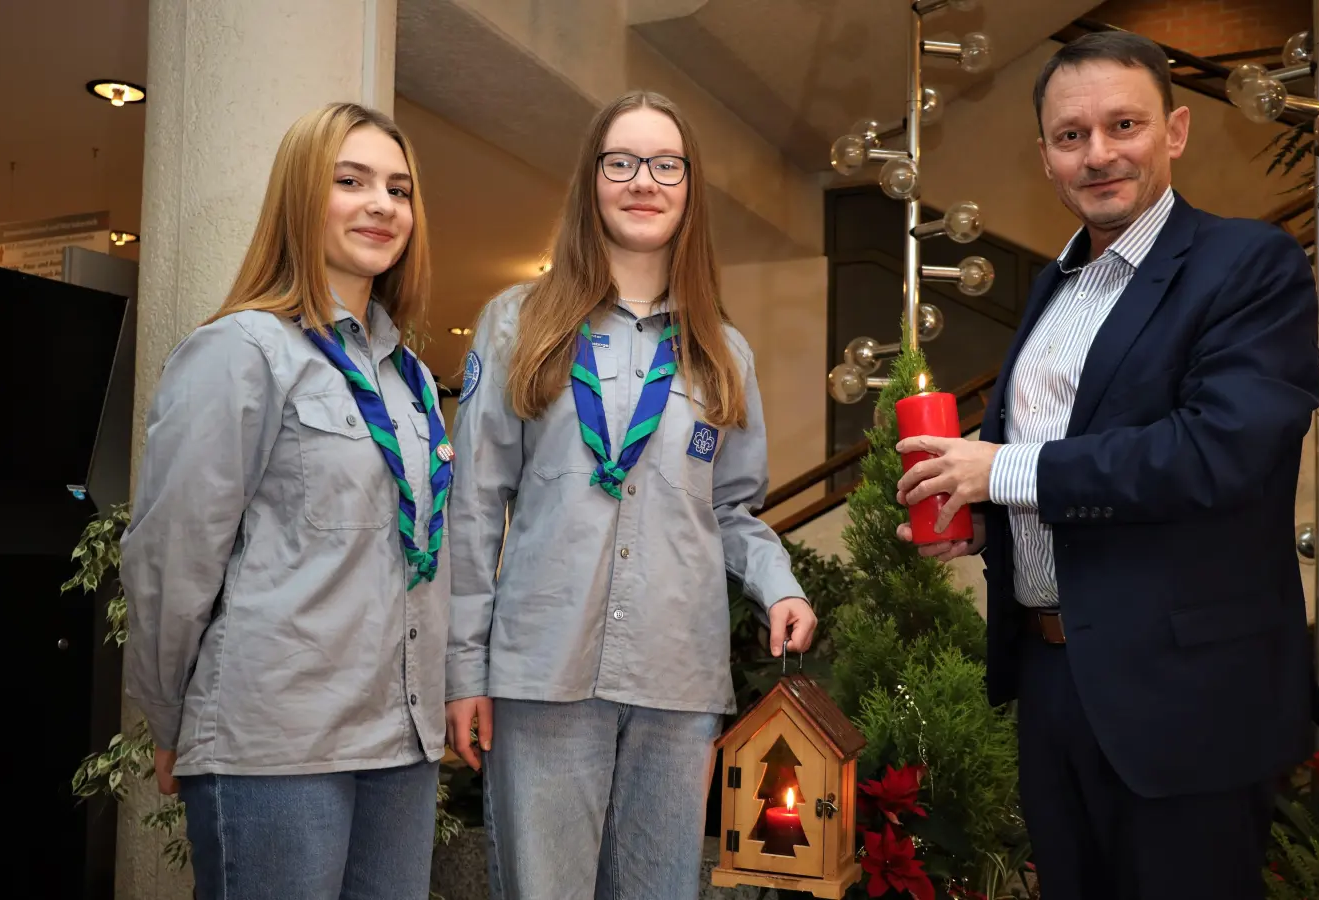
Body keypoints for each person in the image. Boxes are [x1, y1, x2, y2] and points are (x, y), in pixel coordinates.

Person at [893, 31, 1319, 900]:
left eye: (1122, 125)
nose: (1098, 154)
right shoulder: (1055, 289)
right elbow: (1055, 455)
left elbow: (1215, 453)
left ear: (1174, 131)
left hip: (1187, 697)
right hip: (1054, 680)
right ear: (1046, 156)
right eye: (1070, 136)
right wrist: (981, 520)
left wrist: (1003, 475)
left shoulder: (1249, 264)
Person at [443, 88, 817, 900]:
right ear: (592, 181)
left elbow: (732, 511)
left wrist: (778, 584)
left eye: (665, 165)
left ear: (688, 190)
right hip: (541, 676)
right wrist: (463, 670)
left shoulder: (724, 353)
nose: (643, 181)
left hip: (675, 682)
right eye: (622, 162)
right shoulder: (517, 326)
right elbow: (472, 512)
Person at [120, 102, 450, 899]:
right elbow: (172, 557)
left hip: (400, 746)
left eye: (399, 189)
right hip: (276, 745)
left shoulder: (411, 380)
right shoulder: (241, 350)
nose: (382, 204)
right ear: (301, 198)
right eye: (351, 181)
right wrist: (171, 720)